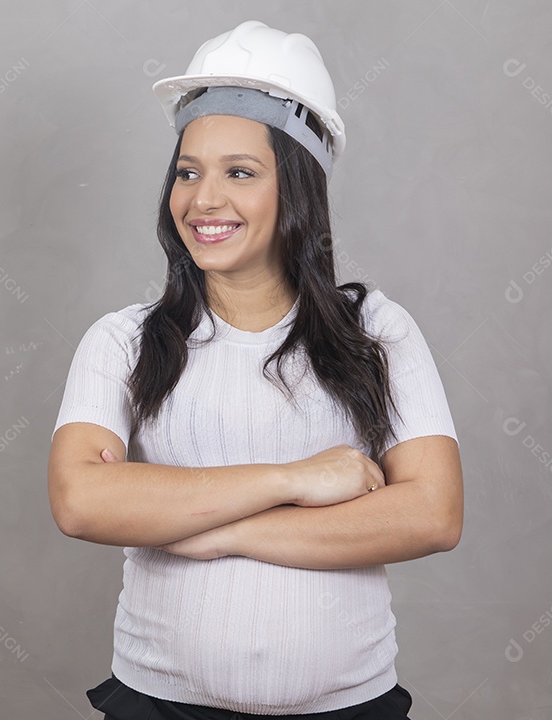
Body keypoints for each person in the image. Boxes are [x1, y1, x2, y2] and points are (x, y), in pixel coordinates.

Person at [47, 20, 463, 720]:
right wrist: (295, 480)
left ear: (296, 188)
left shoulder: (378, 333)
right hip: (160, 703)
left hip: (350, 707)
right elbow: (82, 500)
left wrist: (217, 532)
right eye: (188, 171)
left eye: (240, 172)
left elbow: (432, 513)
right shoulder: (122, 342)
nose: (203, 200)